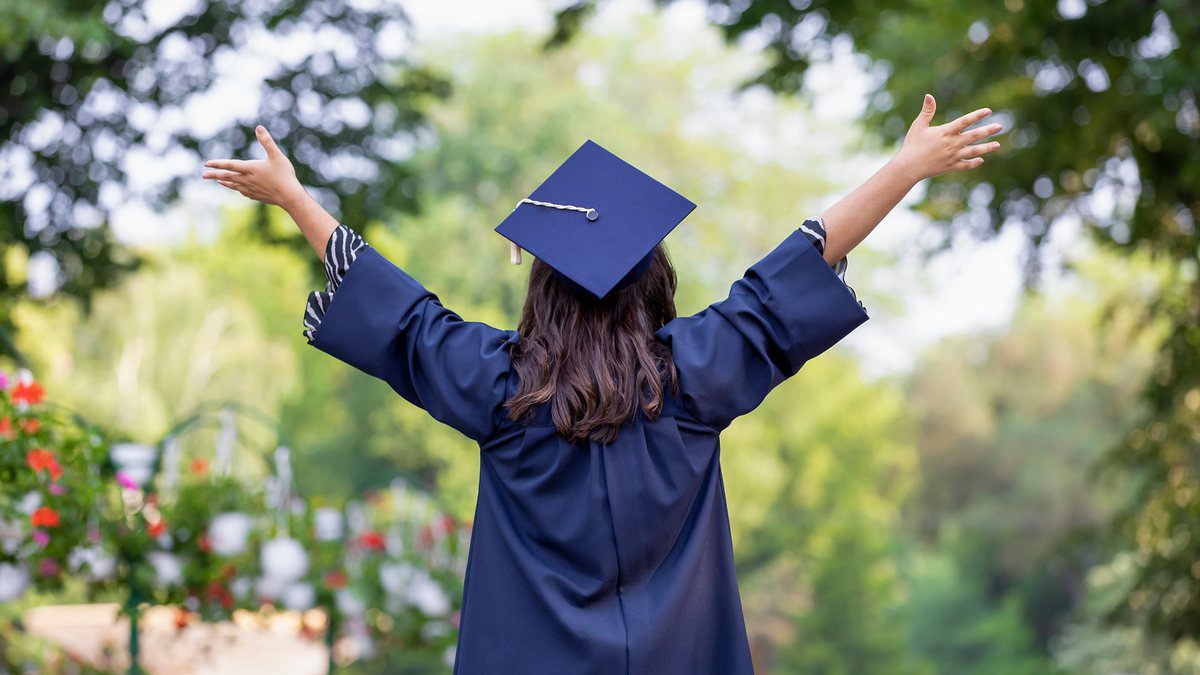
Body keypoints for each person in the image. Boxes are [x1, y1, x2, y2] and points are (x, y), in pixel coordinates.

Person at [202, 93, 1001, 674]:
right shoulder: (690, 379)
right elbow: (799, 263)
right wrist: (905, 169)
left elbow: (405, 315)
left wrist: (295, 197)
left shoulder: (500, 390)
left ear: (541, 289)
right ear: (655, 282)